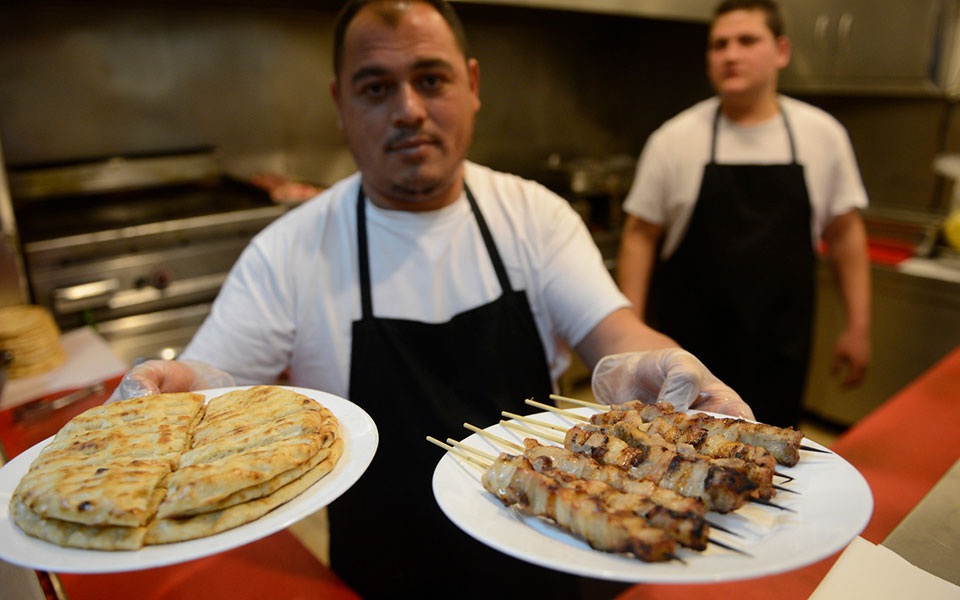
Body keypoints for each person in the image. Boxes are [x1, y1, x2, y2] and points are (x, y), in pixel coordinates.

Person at [110, 0, 753, 596]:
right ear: (340, 103)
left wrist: (658, 365)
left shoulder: (533, 217)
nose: (409, 109)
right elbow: (212, 389)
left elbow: (616, 334)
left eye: (432, 79)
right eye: (375, 87)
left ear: (472, 85)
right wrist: (179, 390)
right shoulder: (291, 250)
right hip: (381, 571)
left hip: (543, 549)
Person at [616, 0, 871, 428]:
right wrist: (631, 339)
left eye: (747, 40)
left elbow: (845, 232)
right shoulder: (673, 139)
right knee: (676, 462)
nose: (731, 54)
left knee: (770, 458)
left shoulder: (822, 135)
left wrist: (858, 326)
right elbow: (639, 236)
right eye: (719, 44)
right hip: (690, 354)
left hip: (780, 350)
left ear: (781, 51)